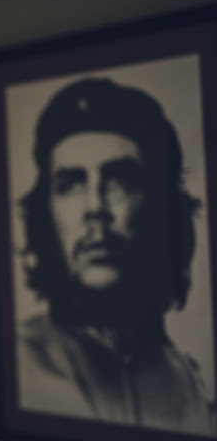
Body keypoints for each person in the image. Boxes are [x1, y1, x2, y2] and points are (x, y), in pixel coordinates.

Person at [16, 77, 214, 435]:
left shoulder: (191, 385)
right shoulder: (24, 362)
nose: (96, 208)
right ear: (44, 216)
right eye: (71, 184)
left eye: (119, 179)